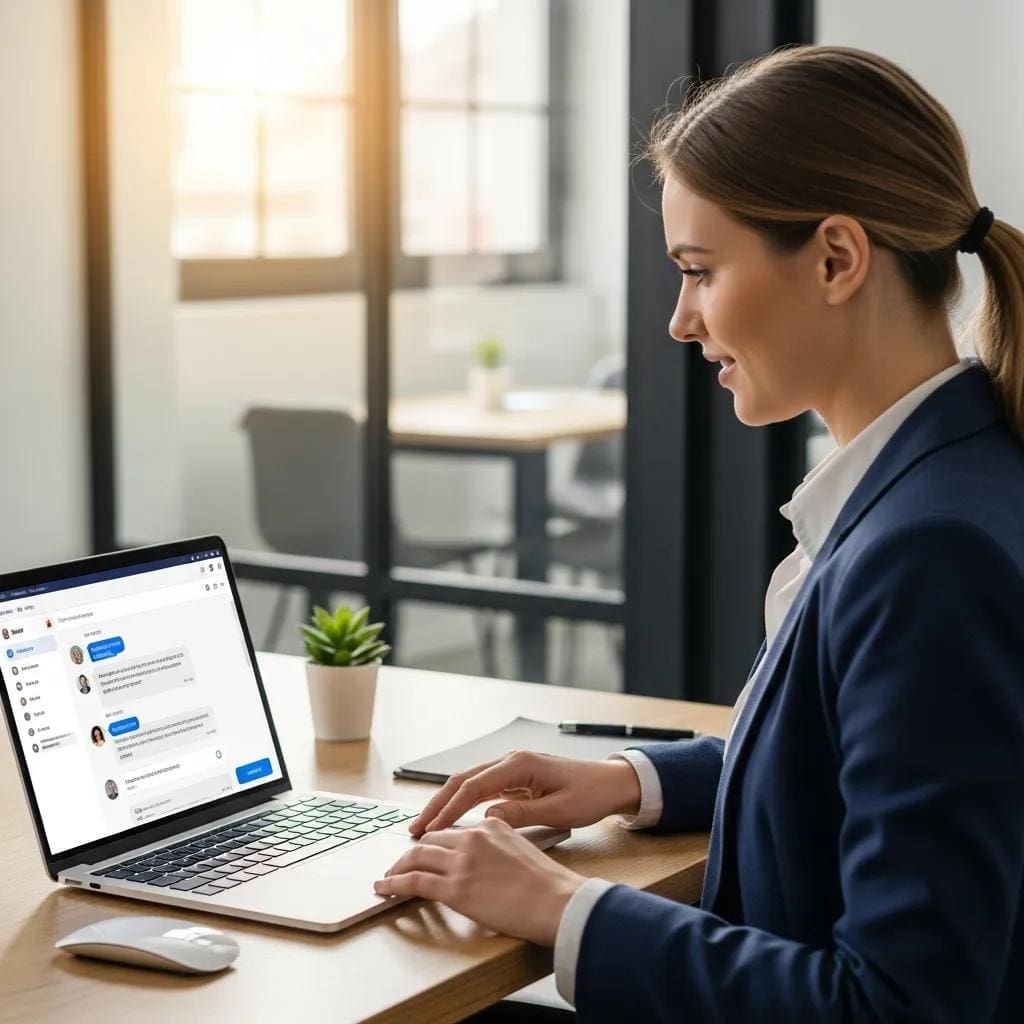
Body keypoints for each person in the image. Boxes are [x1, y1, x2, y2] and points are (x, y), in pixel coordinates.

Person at [374, 45, 1024, 1022]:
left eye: (700, 270)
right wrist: (624, 779)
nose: (680, 320)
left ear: (837, 258)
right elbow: (856, 761)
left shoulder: (927, 554)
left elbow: (897, 1006)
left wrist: (563, 904)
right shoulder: (954, 476)